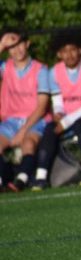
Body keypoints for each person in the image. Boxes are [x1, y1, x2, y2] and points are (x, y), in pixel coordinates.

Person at [32, 31, 81, 190]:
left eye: (72, 50)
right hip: (68, 118)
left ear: (80, 50)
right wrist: (59, 113)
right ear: (59, 54)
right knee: (49, 129)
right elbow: (58, 102)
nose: (69, 55)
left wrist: (66, 121)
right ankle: (41, 177)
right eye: (64, 51)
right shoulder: (54, 72)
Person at [0, 29, 50, 191]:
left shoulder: (41, 70)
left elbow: (42, 107)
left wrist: (23, 130)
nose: (17, 50)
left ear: (27, 44)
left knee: (29, 142)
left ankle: (21, 180)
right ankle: (3, 178)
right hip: (11, 121)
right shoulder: (5, 68)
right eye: (11, 47)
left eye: (19, 44)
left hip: (35, 120)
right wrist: (1, 44)